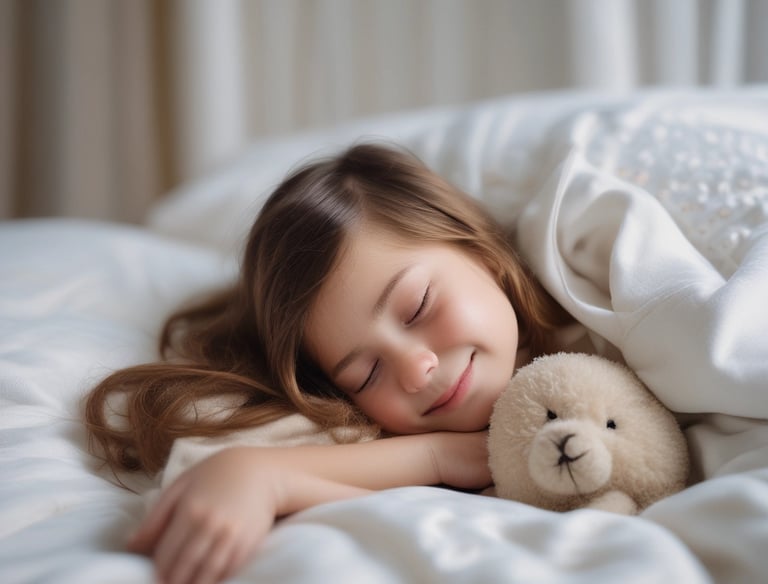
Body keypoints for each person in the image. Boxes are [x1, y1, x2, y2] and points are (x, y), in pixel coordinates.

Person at [85, 142, 573, 584]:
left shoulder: (585, 294)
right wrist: (435, 456)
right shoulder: (366, 427)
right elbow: (220, 469)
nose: (415, 369)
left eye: (418, 306)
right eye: (367, 374)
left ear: (479, 251)